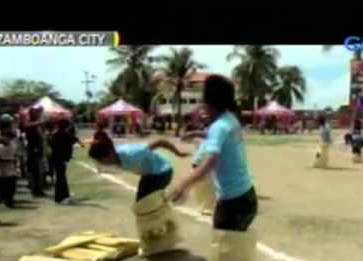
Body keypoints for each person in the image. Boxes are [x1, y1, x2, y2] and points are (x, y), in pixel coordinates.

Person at [168, 74, 258, 232]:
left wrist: (184, 183)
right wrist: (195, 133)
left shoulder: (219, 126)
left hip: (232, 203)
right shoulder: (230, 120)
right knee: (236, 248)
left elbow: (209, 162)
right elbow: (218, 136)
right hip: (248, 196)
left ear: (209, 103)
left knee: (224, 250)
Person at [89, 132, 189, 202]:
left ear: (109, 154)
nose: (100, 164)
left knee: (147, 203)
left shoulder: (134, 153)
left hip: (162, 172)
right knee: (141, 203)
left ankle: (175, 195)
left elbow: (161, 142)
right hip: (148, 175)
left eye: (100, 161)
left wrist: (178, 153)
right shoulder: (114, 156)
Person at [50, 119, 85, 204]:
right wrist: (81, 144)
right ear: (66, 126)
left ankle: (65, 195)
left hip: (57, 158)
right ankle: (59, 198)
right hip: (60, 159)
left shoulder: (56, 134)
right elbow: (75, 139)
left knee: (62, 177)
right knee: (60, 178)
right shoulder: (64, 134)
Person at [24, 107, 47, 197]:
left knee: (39, 171)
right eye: (35, 113)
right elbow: (27, 125)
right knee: (34, 171)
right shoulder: (29, 122)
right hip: (33, 149)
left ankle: (39, 189)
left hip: (38, 149)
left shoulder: (37, 123)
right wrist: (39, 122)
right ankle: (35, 190)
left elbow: (42, 131)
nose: (37, 114)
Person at [0, 130, 18, 208]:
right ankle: (6, 199)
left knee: (11, 187)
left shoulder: (13, 145)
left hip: (11, 170)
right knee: (4, 187)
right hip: (2, 171)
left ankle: (9, 200)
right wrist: (8, 160)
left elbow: (15, 156)